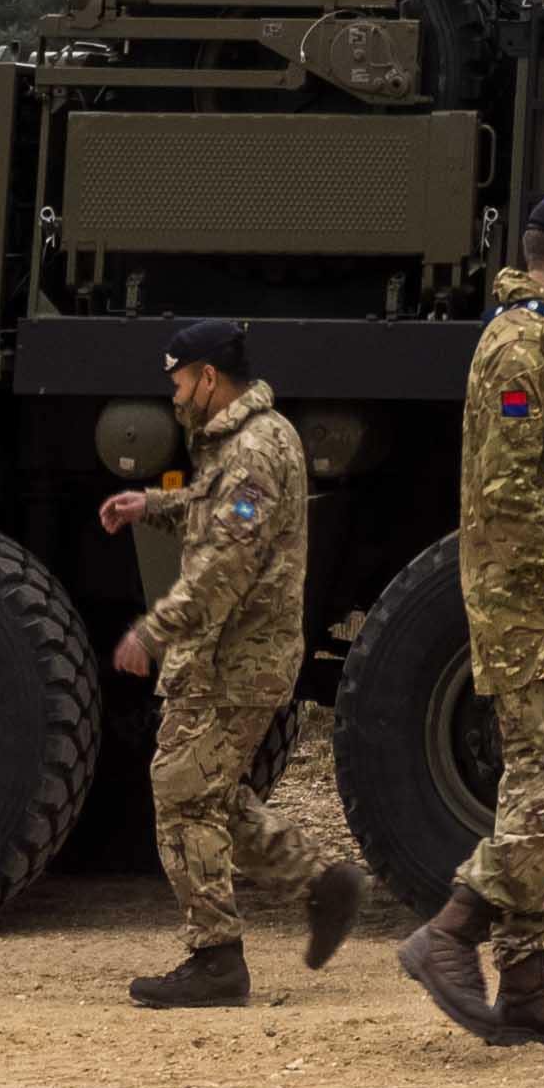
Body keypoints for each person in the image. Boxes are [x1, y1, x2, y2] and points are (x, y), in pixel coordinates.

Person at [401, 188, 544, 1048]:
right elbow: (504, 490)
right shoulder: (522, 345)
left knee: (539, 782)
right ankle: (453, 928)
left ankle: (527, 983)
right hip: (543, 609)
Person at [99, 318, 361, 1008]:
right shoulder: (255, 439)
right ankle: (320, 882)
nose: (175, 395)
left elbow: (225, 564)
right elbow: (220, 512)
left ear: (209, 377)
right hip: (238, 655)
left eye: (179, 381)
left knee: (182, 794)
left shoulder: (252, 449)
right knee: (206, 791)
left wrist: (151, 631)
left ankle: (216, 958)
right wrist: (154, 505)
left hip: (230, 659)